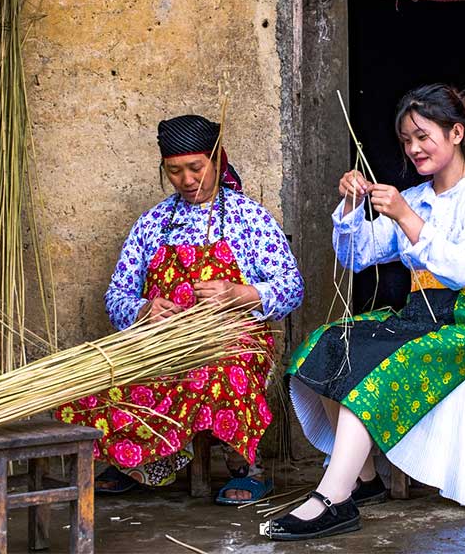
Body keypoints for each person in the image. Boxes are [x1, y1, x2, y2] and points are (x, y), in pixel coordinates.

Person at [264, 85, 465, 542]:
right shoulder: (416, 196)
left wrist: (406, 216)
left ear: (457, 133)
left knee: (375, 368)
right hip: (419, 315)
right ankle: (363, 480)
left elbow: (463, 268)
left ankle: (332, 499)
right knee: (330, 345)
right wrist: (351, 207)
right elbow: (356, 256)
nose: (414, 148)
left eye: (423, 136)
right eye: (406, 140)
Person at [55, 114, 304, 504]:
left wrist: (238, 293)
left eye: (195, 168)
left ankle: (244, 467)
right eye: (174, 171)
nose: (187, 180)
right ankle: (135, 460)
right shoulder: (152, 223)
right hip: (164, 341)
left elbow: (292, 287)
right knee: (100, 376)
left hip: (232, 339)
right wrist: (143, 311)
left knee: (220, 371)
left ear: (217, 161)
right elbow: (116, 296)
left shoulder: (249, 218)